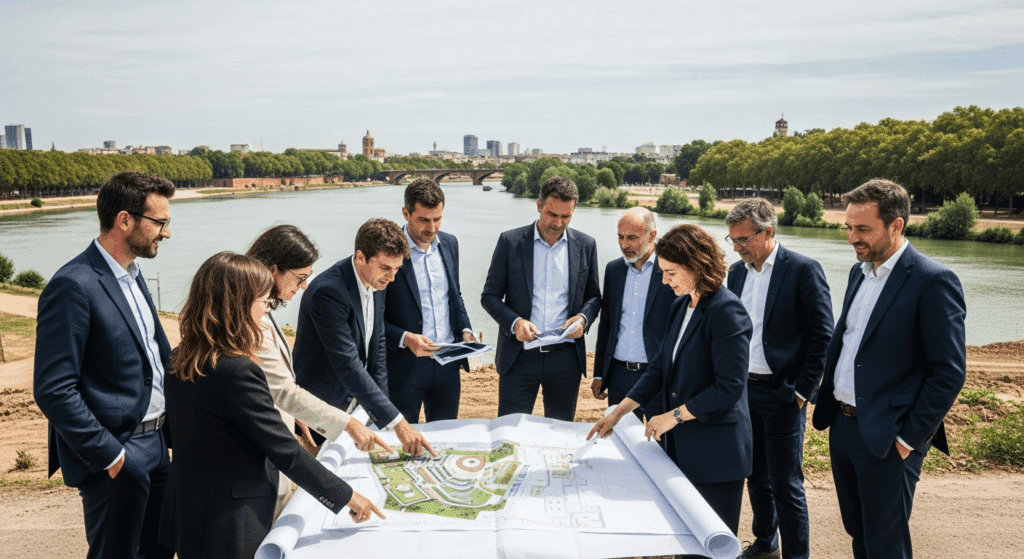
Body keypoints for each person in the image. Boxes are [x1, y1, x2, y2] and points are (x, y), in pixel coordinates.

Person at [159, 252, 382, 559]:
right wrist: (346, 496)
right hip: (232, 521)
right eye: (263, 302)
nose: (265, 313)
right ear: (239, 304)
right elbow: (285, 452)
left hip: (190, 512)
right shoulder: (238, 371)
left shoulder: (180, 357)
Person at [812, 179, 966, 559]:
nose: (852, 238)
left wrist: (908, 440)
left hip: (890, 436)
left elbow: (948, 372)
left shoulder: (933, 280)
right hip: (844, 427)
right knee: (859, 532)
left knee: (886, 542)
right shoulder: (858, 272)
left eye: (862, 229)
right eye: (848, 227)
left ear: (896, 226)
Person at [34, 171, 176, 559]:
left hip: (159, 445)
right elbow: (53, 389)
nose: (166, 233)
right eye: (160, 223)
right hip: (117, 453)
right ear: (125, 220)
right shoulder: (72, 286)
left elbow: (157, 356)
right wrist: (113, 458)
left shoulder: (133, 273)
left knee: (160, 553)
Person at [590, 223, 753, 536]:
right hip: (681, 449)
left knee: (709, 548)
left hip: (716, 454)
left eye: (671, 273)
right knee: (683, 540)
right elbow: (659, 369)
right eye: (662, 272)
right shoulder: (681, 305)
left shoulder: (727, 310)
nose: (664, 281)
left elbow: (729, 387)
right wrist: (619, 413)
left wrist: (675, 416)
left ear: (696, 266)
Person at [245, 225, 392, 516]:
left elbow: (273, 384)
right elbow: (284, 391)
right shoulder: (253, 318)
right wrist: (349, 424)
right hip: (255, 467)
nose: (302, 287)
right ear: (275, 270)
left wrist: (291, 413)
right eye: (300, 278)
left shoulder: (260, 309)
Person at [724, 198, 834, 559]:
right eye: (733, 241)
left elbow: (823, 335)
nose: (737, 248)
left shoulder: (803, 269)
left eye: (743, 240)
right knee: (755, 477)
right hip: (743, 391)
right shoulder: (737, 273)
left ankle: (796, 556)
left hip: (783, 393)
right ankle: (766, 543)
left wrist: (804, 389)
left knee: (787, 484)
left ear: (767, 232)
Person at [294, 218, 436, 457]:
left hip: (358, 407)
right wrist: (398, 423)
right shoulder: (328, 292)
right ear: (360, 257)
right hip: (321, 412)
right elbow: (348, 364)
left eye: (397, 268)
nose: (392, 277)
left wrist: (381, 416)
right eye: (385, 268)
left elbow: (377, 348)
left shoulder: (376, 280)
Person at [481, 176, 601, 421]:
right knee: (509, 431)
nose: (558, 223)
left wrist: (583, 318)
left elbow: (594, 297)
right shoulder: (510, 242)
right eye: (552, 214)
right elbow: (489, 296)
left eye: (566, 216)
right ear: (538, 205)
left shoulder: (586, 245)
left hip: (566, 360)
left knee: (560, 434)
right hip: (519, 357)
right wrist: (515, 323)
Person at [384, 179, 476, 423]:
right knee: (403, 442)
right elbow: (371, 315)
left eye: (438, 219)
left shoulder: (450, 243)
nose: (432, 227)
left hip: (448, 362)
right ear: (406, 213)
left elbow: (454, 296)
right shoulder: (387, 250)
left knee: (445, 438)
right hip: (404, 367)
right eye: (424, 220)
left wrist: (465, 330)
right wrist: (405, 338)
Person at [592, 207, 677, 418]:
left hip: (657, 376)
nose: (624, 245)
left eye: (632, 238)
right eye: (620, 237)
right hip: (619, 376)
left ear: (653, 235)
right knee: (620, 440)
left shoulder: (672, 270)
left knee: (658, 443)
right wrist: (600, 373)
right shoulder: (613, 270)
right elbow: (607, 325)